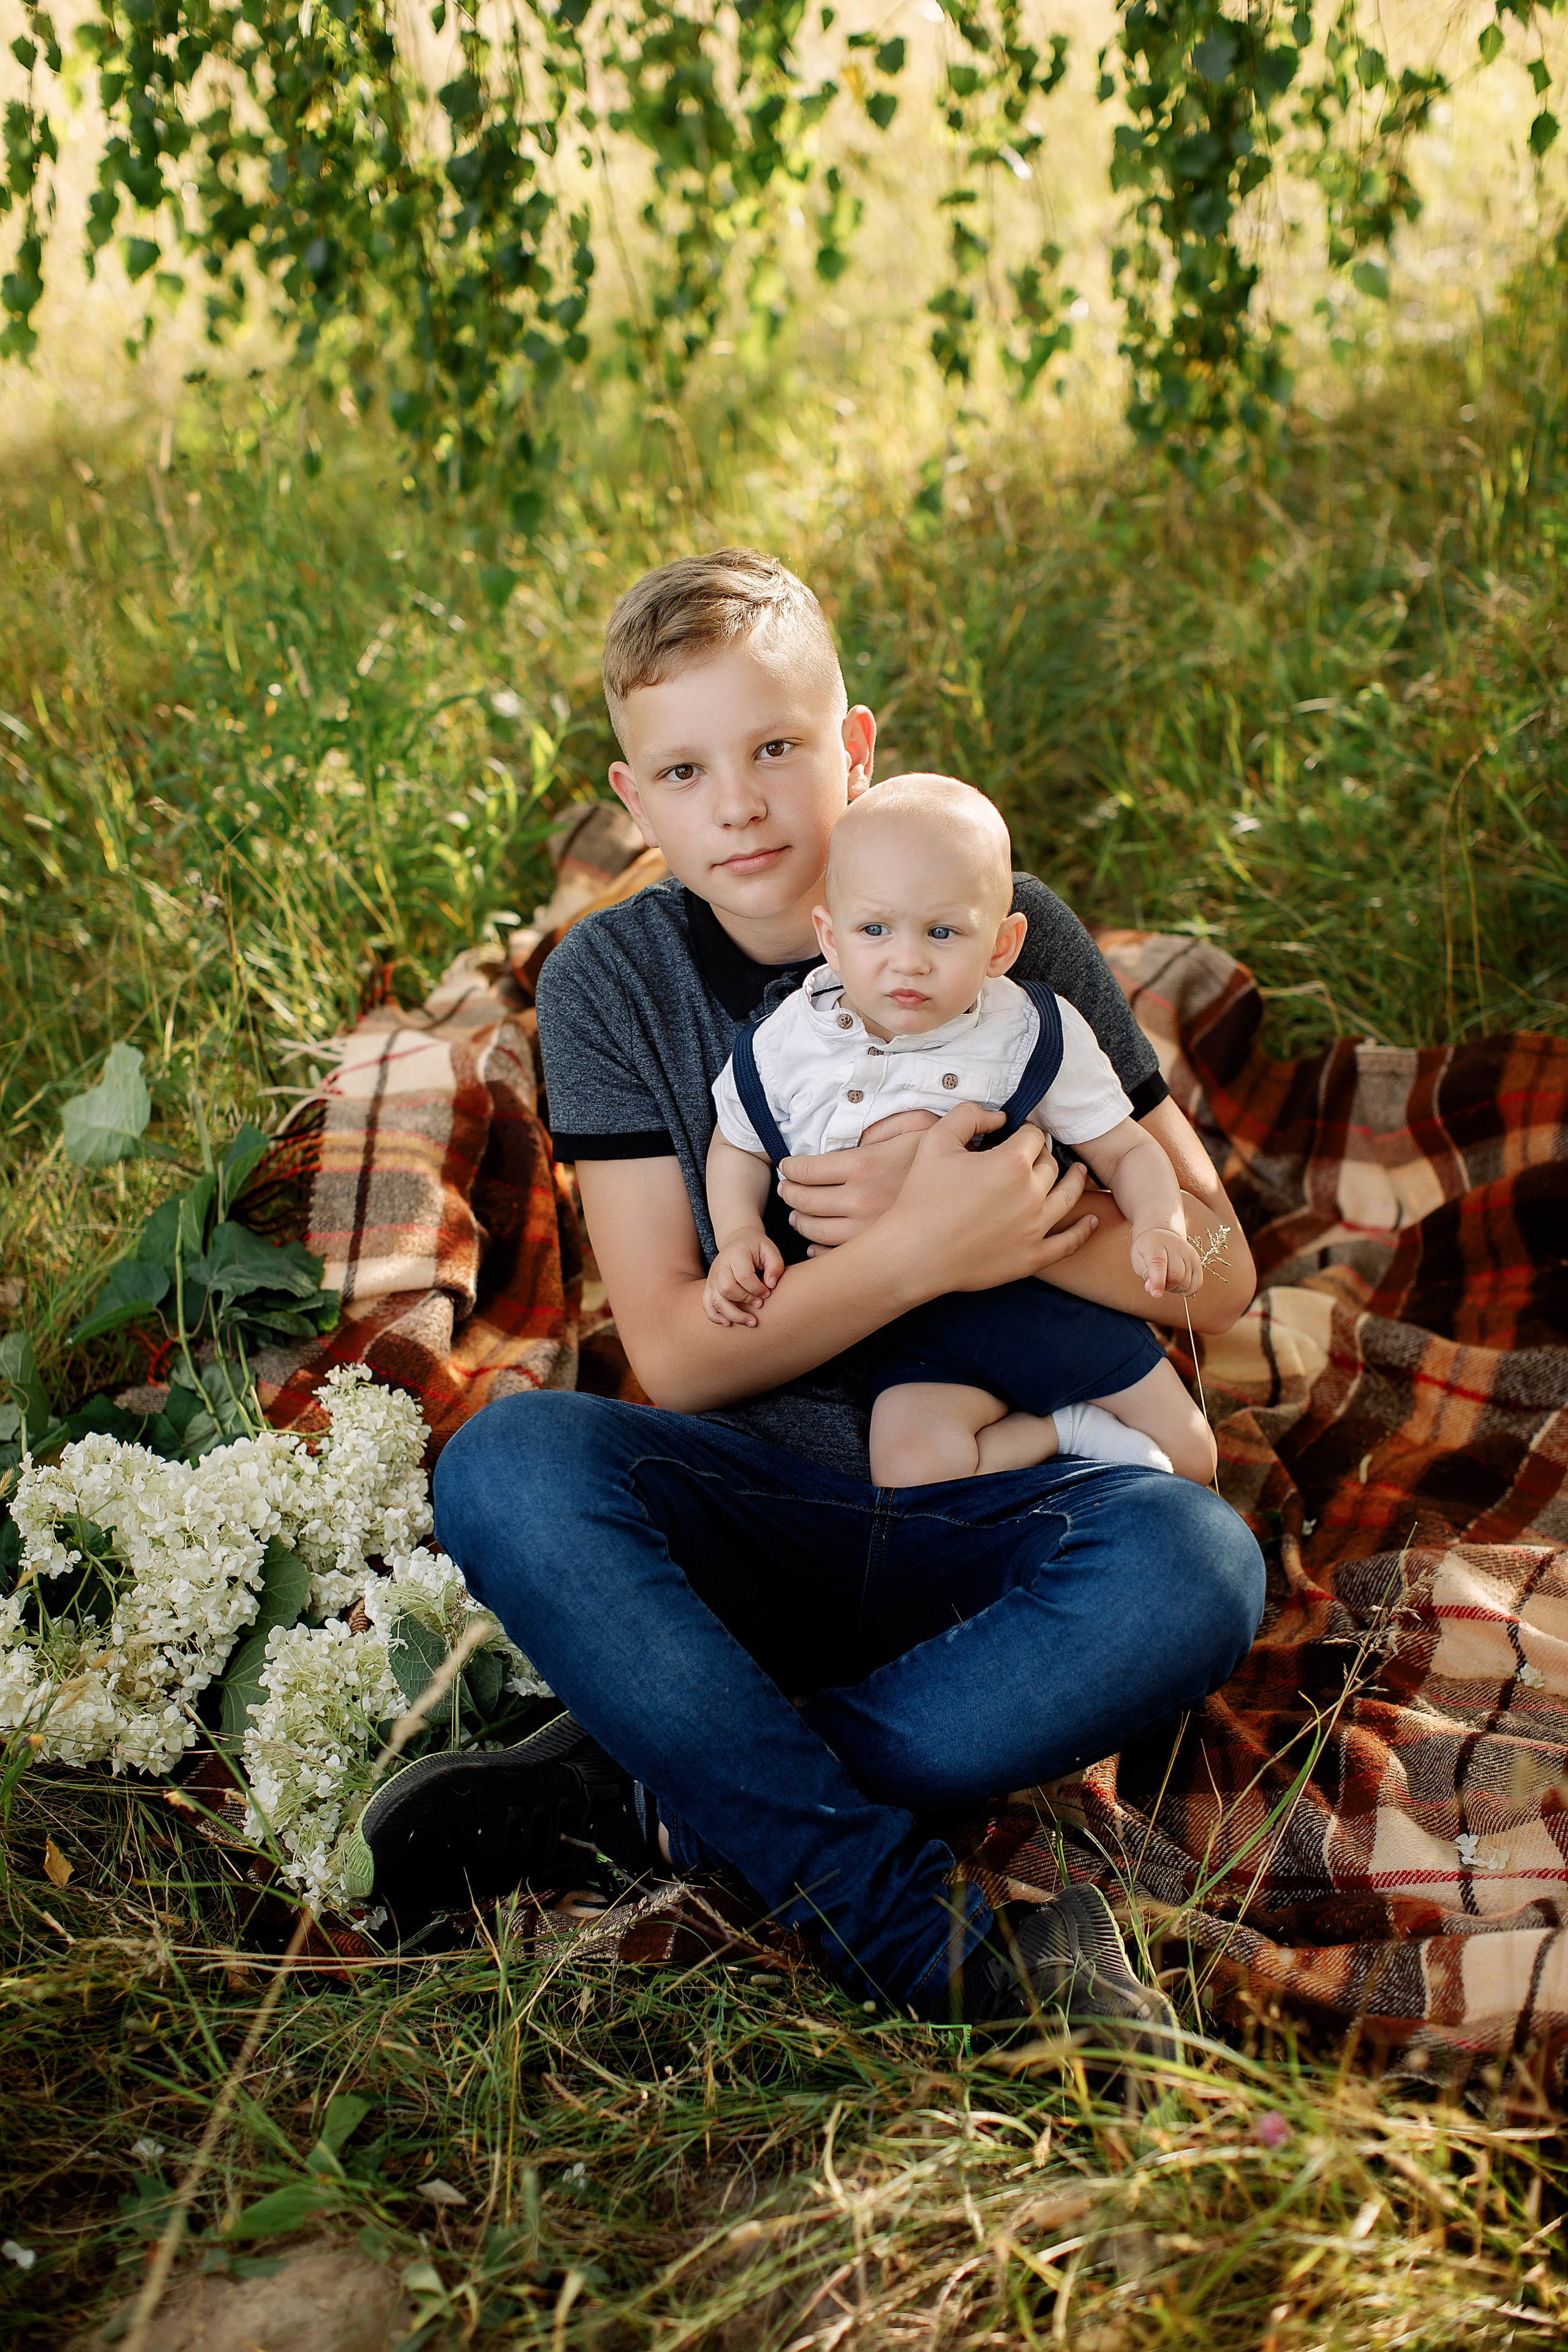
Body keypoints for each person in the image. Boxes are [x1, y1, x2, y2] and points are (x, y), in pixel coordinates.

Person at [348, 548, 1265, 2046]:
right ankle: (918, 1931)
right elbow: (675, 1355)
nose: (739, 802)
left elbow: (1215, 1275)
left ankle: (657, 1791)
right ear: (631, 800)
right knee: (506, 1461)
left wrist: (999, 1227)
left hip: (991, 1527)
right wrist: (910, 1251)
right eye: (685, 768)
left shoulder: (995, 919)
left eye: (777, 747)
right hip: (747, 1536)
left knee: (1197, 1567)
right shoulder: (610, 984)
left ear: (854, 744)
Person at [702, 769, 1216, 1487]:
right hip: (913, 1329)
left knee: (1195, 1458)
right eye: (874, 929)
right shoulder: (791, 1041)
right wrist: (738, 1236)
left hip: (1046, 1302)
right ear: (830, 935)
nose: (906, 960)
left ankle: (1088, 1449)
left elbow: (1128, 1146)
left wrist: (1160, 1225)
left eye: (943, 932)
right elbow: (737, 1143)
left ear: (1002, 946)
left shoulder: (1026, 1031)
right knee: (910, 1472)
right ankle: (1055, 1434)